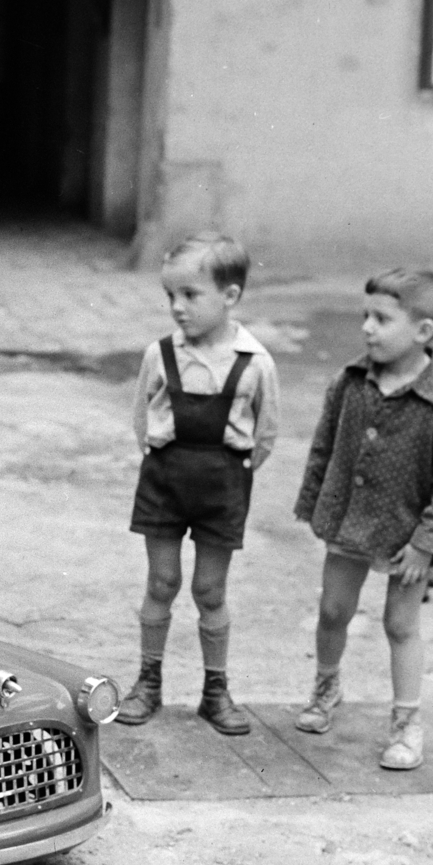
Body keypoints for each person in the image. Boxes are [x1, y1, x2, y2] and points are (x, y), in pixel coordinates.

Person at [292, 271, 433, 771]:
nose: (368, 328)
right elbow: (323, 446)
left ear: (423, 332)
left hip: (406, 532)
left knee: (400, 624)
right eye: (364, 317)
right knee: (333, 609)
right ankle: (326, 689)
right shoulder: (348, 383)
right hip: (351, 519)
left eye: (382, 319)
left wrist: (427, 543)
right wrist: (316, 506)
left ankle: (406, 722)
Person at [116, 232, 280, 736]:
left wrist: (228, 473)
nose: (177, 308)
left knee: (210, 589)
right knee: (162, 582)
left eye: (190, 295)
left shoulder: (255, 364)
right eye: (171, 297)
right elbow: (143, 419)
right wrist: (165, 458)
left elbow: (266, 433)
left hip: (223, 486)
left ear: (230, 297)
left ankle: (215, 689)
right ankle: (149, 681)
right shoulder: (159, 355)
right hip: (165, 479)